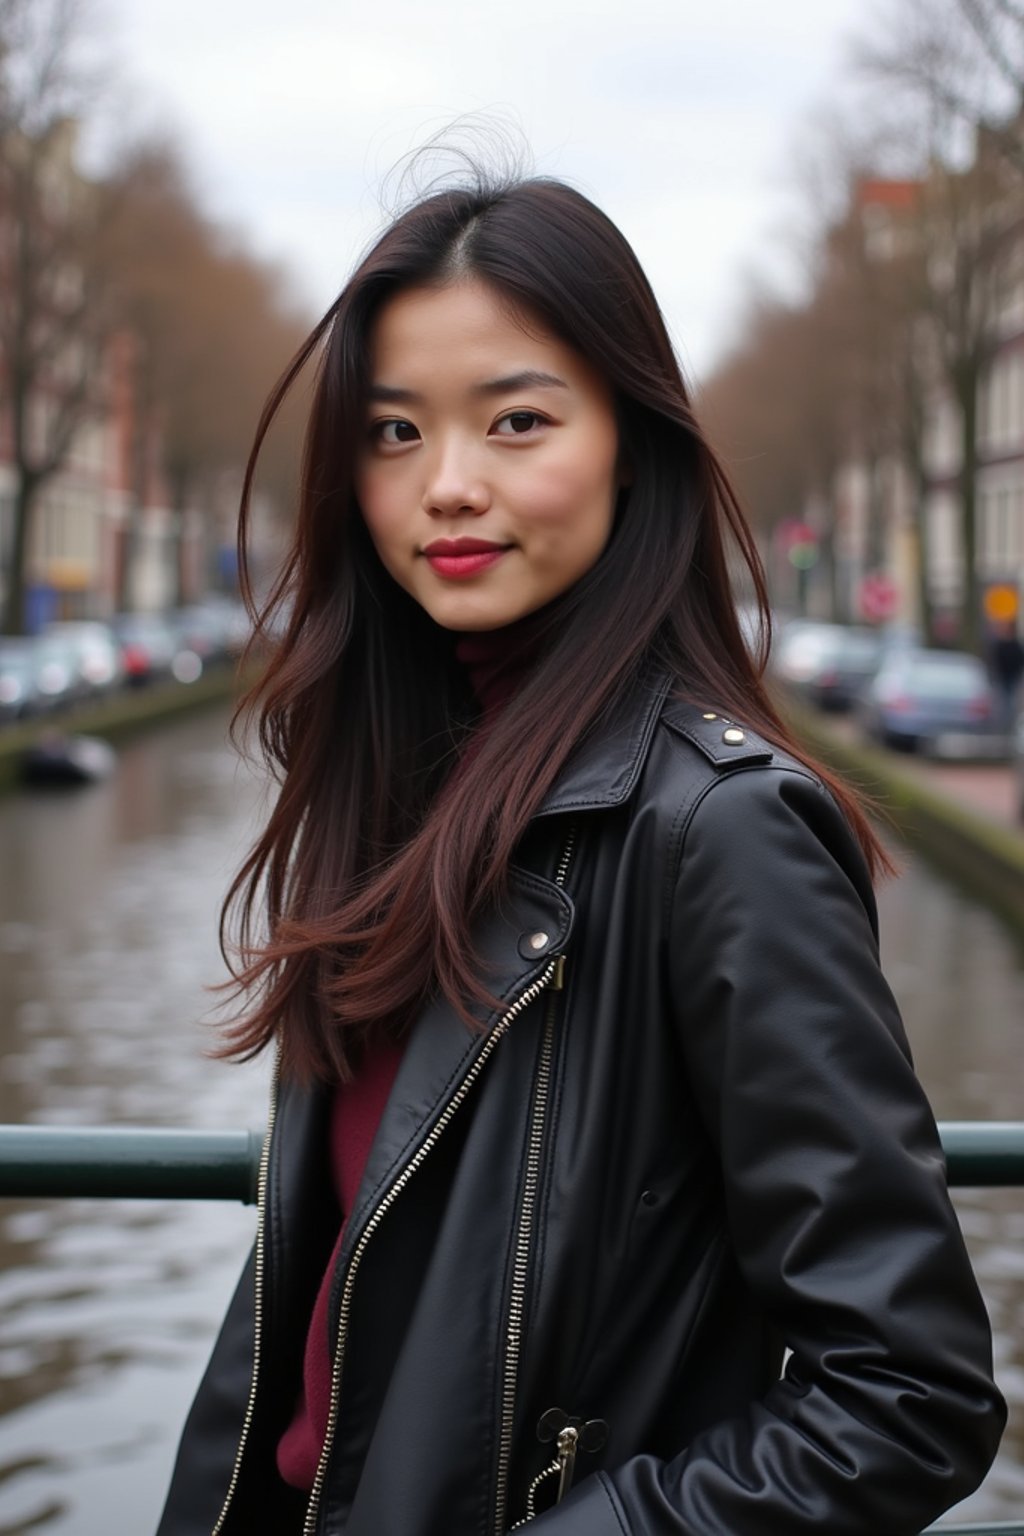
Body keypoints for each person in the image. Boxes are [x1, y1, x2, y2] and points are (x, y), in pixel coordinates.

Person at [157, 175, 1005, 1536]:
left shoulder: (721, 830)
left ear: (631, 443)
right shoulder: (387, 791)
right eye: (392, 430)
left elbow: (908, 1393)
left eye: (518, 421)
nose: (447, 484)